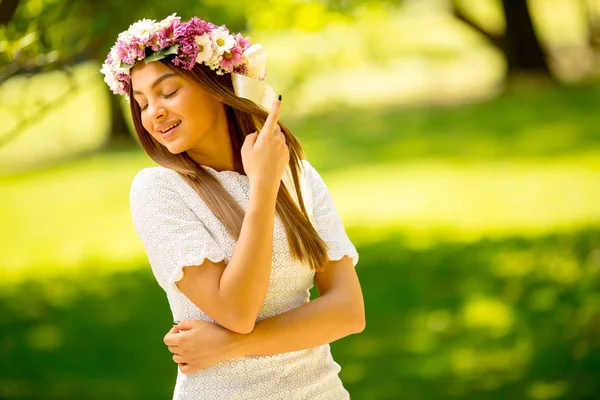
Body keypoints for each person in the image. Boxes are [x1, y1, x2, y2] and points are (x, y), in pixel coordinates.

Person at [102, 13, 365, 400]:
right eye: (141, 103)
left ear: (216, 86)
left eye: (168, 92)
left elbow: (347, 312)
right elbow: (237, 310)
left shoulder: (297, 175)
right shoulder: (158, 190)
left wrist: (230, 345)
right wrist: (262, 189)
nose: (152, 113)